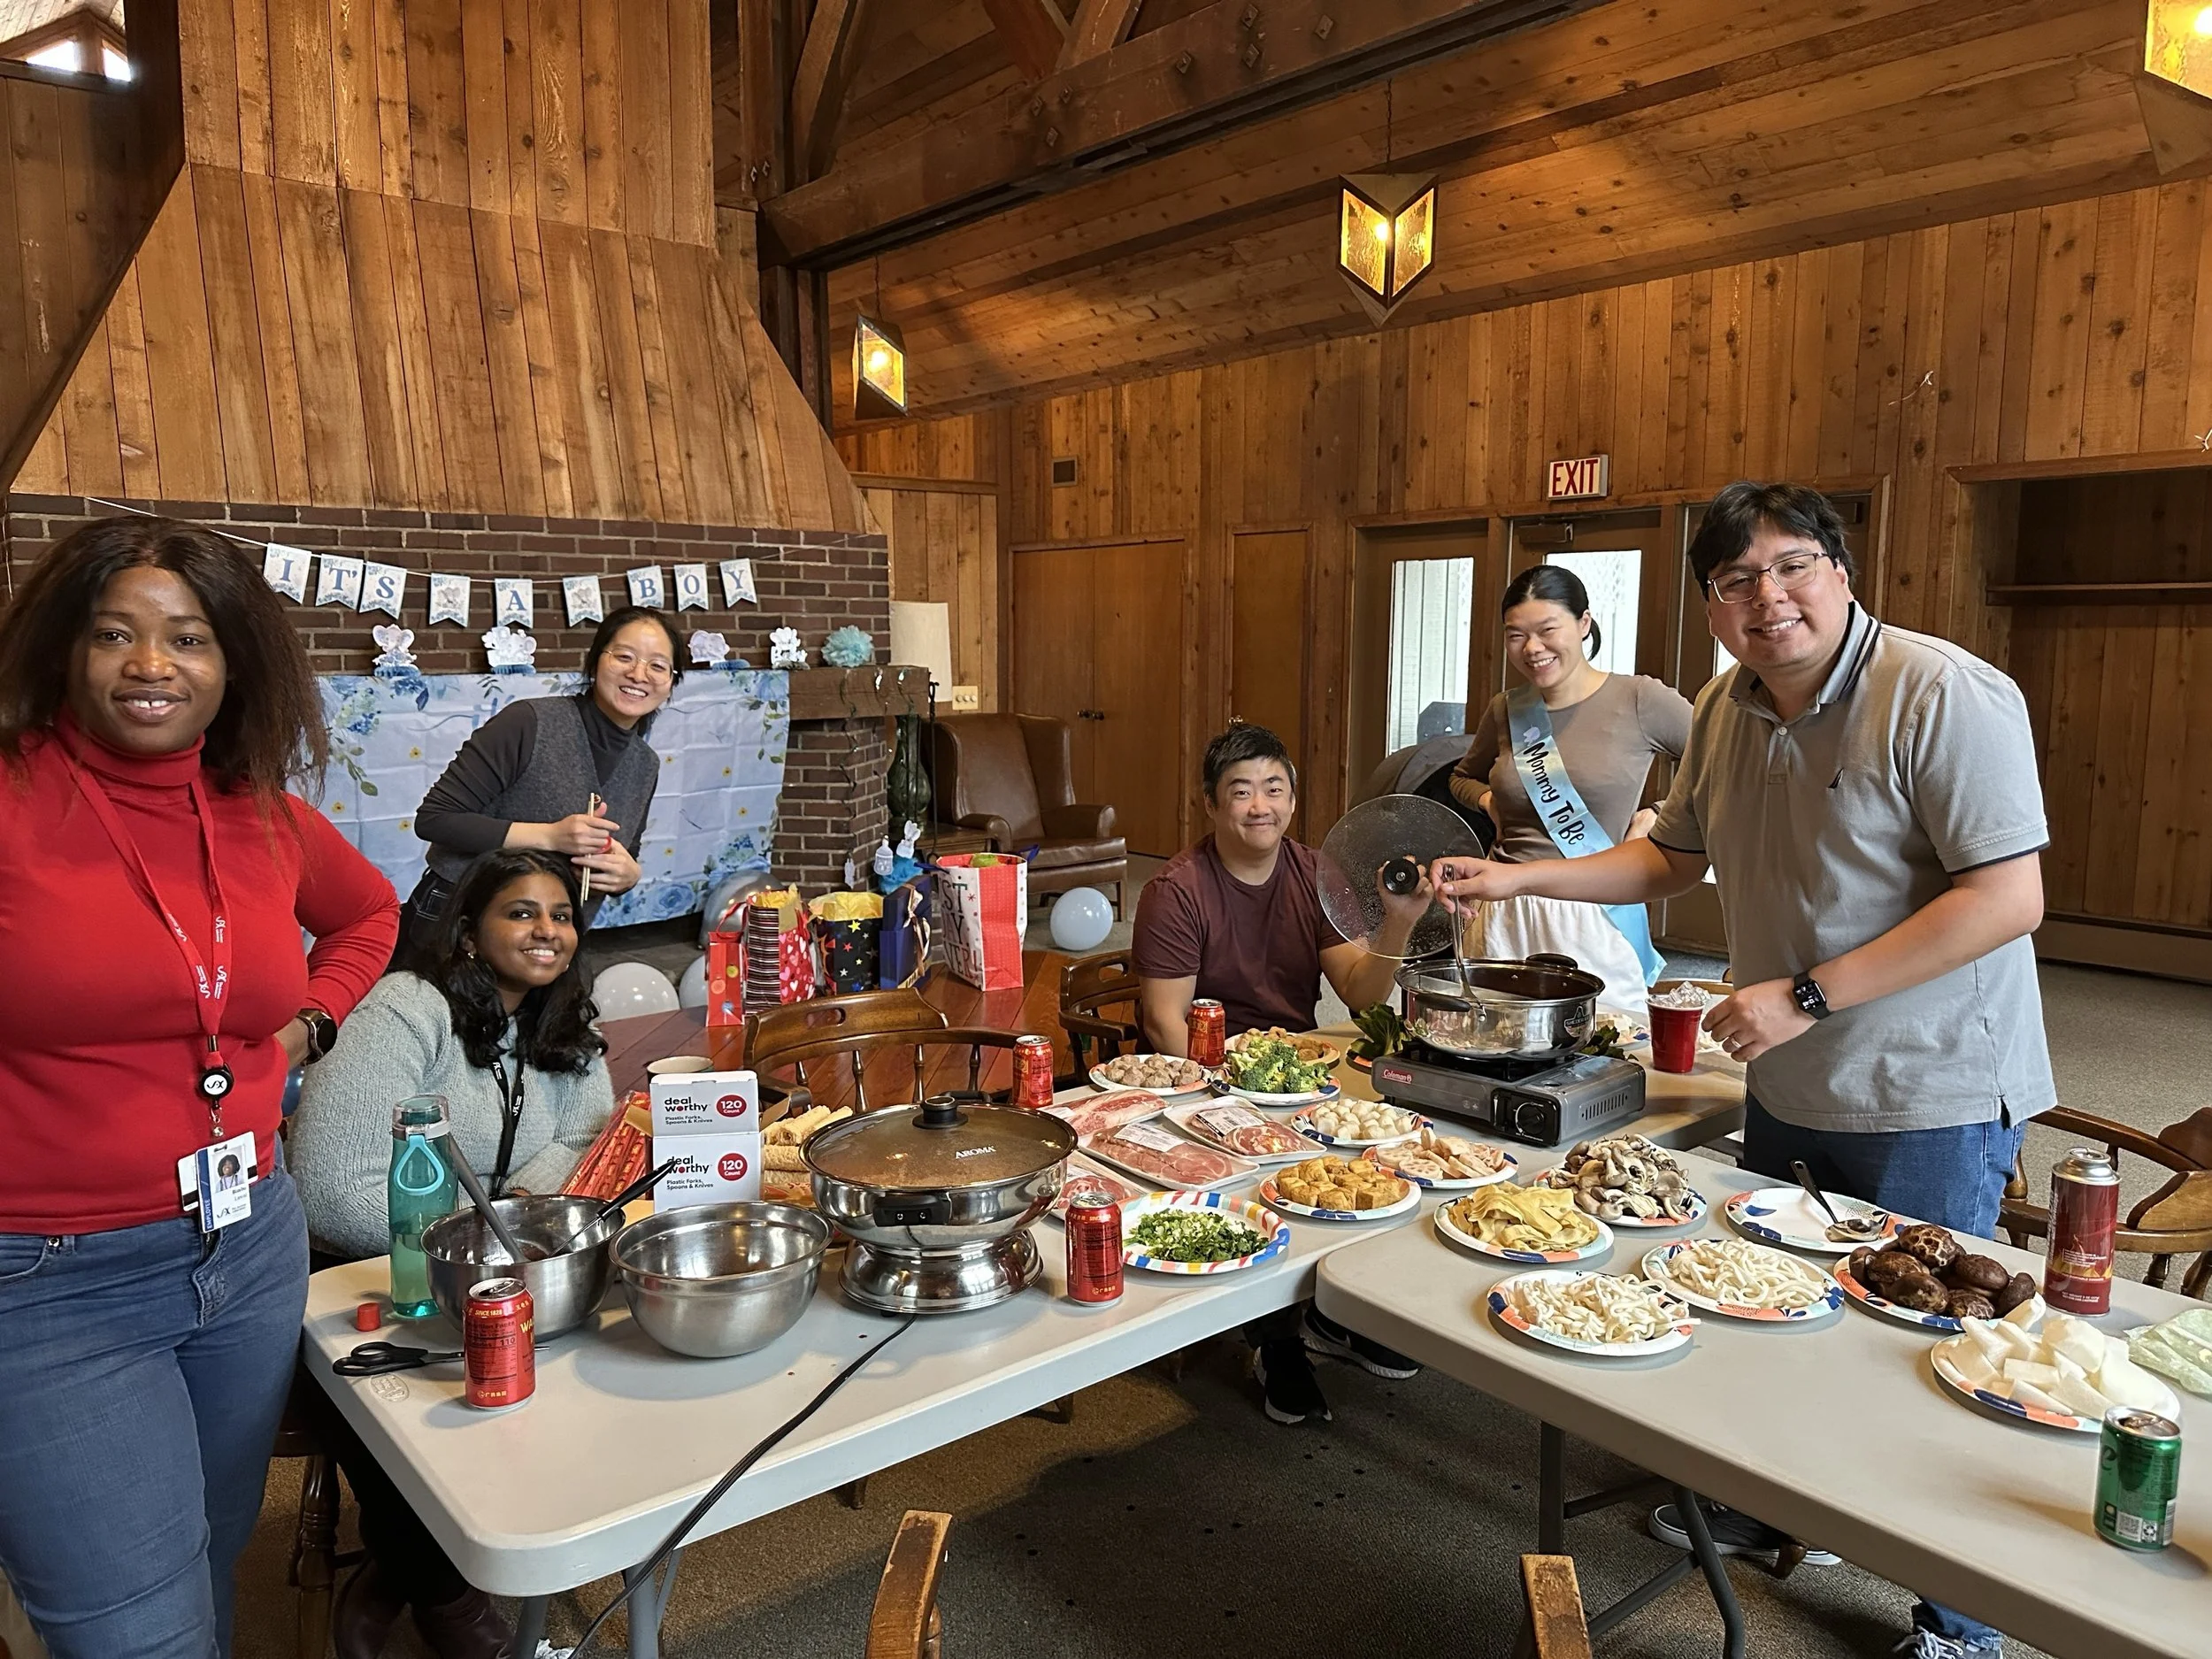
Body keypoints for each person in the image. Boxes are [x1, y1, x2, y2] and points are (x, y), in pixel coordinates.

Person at [1432, 481, 2052, 1659]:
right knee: (1780, 1309)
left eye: (1792, 565)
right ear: (1712, 605)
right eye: (1735, 580)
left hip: (1928, 1086)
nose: (1768, 598)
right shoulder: (1724, 705)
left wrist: (1805, 995)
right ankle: (1782, 1502)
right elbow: (1670, 858)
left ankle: (1962, 1624)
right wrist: (1516, 877)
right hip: (1788, 1081)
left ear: (1841, 570)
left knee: (1929, 1349)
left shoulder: (1941, 690)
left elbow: (2005, 897)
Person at [0, 516, 399, 1659]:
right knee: (138, 1630)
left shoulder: (260, 814)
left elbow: (371, 913)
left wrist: (313, 1018)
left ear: (233, 664)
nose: (151, 664)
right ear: (64, 650)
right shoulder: (12, 795)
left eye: (188, 637)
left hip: (246, 1242)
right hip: (46, 1280)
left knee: (210, 1559)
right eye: (113, 633)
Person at [291, 848, 614, 1659]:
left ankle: (397, 1568)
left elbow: (588, 1134)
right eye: (521, 912)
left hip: (498, 1267)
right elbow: (332, 1185)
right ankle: (445, 1597)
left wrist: (506, 1218)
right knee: (399, 1415)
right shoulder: (406, 1008)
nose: (548, 931)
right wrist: (487, 1238)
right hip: (361, 1270)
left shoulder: (562, 1019)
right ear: (468, 932)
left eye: (562, 915)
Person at [1133, 724, 1431, 1425]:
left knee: (1391, 1144)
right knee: (1266, 1170)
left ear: (1293, 800)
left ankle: (1338, 1310)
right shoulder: (1178, 889)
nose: (1260, 805)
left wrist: (1398, 924)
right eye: (1241, 791)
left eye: (1274, 788)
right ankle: (1277, 1341)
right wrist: (1229, 1104)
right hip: (1205, 1080)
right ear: (1211, 803)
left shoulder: (1313, 872)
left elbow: (1360, 993)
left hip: (1295, 1070)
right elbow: (1165, 1024)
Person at [1448, 564, 1692, 1014]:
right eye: (1516, 635)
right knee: (1495, 1031)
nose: (1532, 648)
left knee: (1607, 1038)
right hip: (1506, 908)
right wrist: (1489, 800)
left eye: (1547, 630)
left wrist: (1658, 815)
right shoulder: (1507, 709)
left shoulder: (1640, 699)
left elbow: (1720, 764)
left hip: (1595, 909)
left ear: (1583, 624)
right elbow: (1461, 777)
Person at [395, 606, 683, 964]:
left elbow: (623, 852)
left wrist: (627, 875)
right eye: (624, 657)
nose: (639, 674)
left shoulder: (645, 764)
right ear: (595, 662)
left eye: (658, 666)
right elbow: (435, 819)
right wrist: (549, 837)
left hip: (545, 943)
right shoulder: (528, 722)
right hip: (458, 922)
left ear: (671, 682)